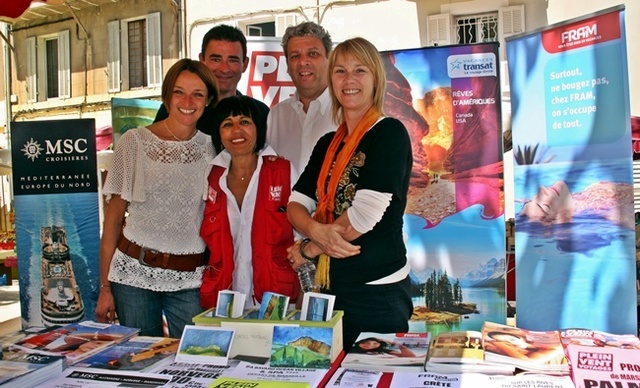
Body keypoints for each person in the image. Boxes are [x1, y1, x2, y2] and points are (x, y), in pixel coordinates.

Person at [286, 37, 414, 350]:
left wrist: (310, 249)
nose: (350, 80)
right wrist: (315, 230)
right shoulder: (327, 143)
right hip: (329, 289)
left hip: (376, 292)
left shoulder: (388, 133)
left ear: (375, 80)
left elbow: (362, 218)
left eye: (360, 71)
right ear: (331, 80)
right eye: (340, 71)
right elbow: (295, 205)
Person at [95, 58, 218, 338]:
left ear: (208, 100)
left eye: (197, 94)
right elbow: (113, 220)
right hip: (132, 275)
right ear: (166, 96)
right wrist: (105, 288)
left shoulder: (214, 148)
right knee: (140, 365)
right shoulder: (133, 142)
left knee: (194, 359)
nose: (188, 101)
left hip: (190, 279)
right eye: (179, 92)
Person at [199, 95, 300, 310]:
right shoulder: (211, 176)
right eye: (227, 124)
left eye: (245, 122)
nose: (236, 131)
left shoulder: (283, 171)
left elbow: (302, 237)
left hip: (276, 300)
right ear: (219, 133)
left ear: (258, 128)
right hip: (224, 299)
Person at [154, 24, 269, 136]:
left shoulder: (260, 112)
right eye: (216, 59)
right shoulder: (179, 108)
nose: (224, 69)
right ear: (202, 60)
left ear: (245, 64)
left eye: (232, 60)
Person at [266, 21, 336, 173]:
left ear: (329, 60)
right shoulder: (276, 116)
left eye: (313, 54)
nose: (303, 62)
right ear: (287, 66)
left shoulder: (347, 112)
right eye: (295, 56)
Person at [519, 180, 634, 228]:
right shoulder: (607, 212)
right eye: (546, 206)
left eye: (535, 197)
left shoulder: (583, 195)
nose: (542, 189)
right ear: (558, 219)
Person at [483, 331, 567, 364]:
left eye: (512, 339)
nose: (512, 344)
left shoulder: (552, 347)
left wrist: (498, 344)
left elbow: (527, 361)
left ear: (521, 338)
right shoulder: (522, 351)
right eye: (506, 343)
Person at [350, 337, 416, 357]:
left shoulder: (383, 351)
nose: (370, 345)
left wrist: (396, 344)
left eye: (375, 344)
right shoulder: (352, 348)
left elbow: (411, 356)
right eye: (365, 343)